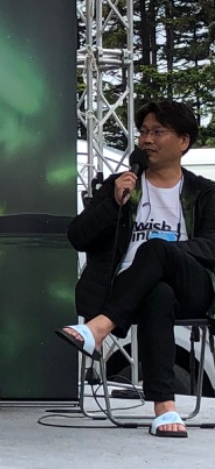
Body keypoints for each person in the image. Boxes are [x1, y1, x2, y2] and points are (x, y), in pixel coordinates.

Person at [57, 100, 215, 438]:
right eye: (143, 131)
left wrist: (168, 254)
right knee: (157, 293)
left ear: (183, 141)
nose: (146, 140)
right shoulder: (121, 185)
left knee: (155, 249)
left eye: (158, 132)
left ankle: (99, 328)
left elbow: (212, 246)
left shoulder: (204, 192)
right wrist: (114, 203)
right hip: (133, 291)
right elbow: (77, 236)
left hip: (193, 287)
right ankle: (164, 408)